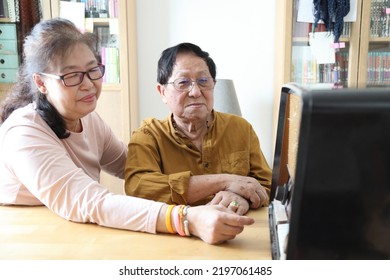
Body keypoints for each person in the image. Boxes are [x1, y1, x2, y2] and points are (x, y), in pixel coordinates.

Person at [0, 18, 256, 245]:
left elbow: (133, 168)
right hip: (29, 243)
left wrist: (230, 189)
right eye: (72, 76)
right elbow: (91, 202)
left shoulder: (89, 120)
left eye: (93, 70)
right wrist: (187, 219)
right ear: (41, 82)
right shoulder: (24, 133)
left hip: (71, 236)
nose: (89, 84)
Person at [124, 42, 272, 215]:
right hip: (175, 235)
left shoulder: (241, 128)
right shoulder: (148, 136)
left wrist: (241, 198)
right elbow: (138, 187)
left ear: (213, 85)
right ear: (162, 92)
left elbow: (267, 185)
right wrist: (224, 181)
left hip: (238, 232)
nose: (195, 92)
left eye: (203, 81)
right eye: (183, 82)